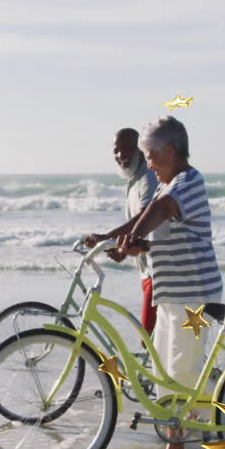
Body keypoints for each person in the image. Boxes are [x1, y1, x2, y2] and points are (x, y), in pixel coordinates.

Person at [119, 115, 223, 449]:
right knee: (165, 372)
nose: (148, 164)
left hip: (193, 294)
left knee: (186, 373)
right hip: (171, 294)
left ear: (169, 150)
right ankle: (175, 447)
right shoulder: (165, 186)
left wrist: (133, 237)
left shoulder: (188, 181)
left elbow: (162, 211)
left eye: (151, 156)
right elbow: (153, 227)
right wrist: (123, 241)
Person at [82, 128, 160, 334]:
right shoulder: (133, 180)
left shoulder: (149, 177)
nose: (120, 155)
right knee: (153, 341)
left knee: (149, 340)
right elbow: (140, 231)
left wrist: (107, 237)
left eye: (126, 149)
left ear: (140, 149)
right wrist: (122, 250)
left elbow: (144, 218)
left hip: (159, 273)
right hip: (147, 271)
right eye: (116, 150)